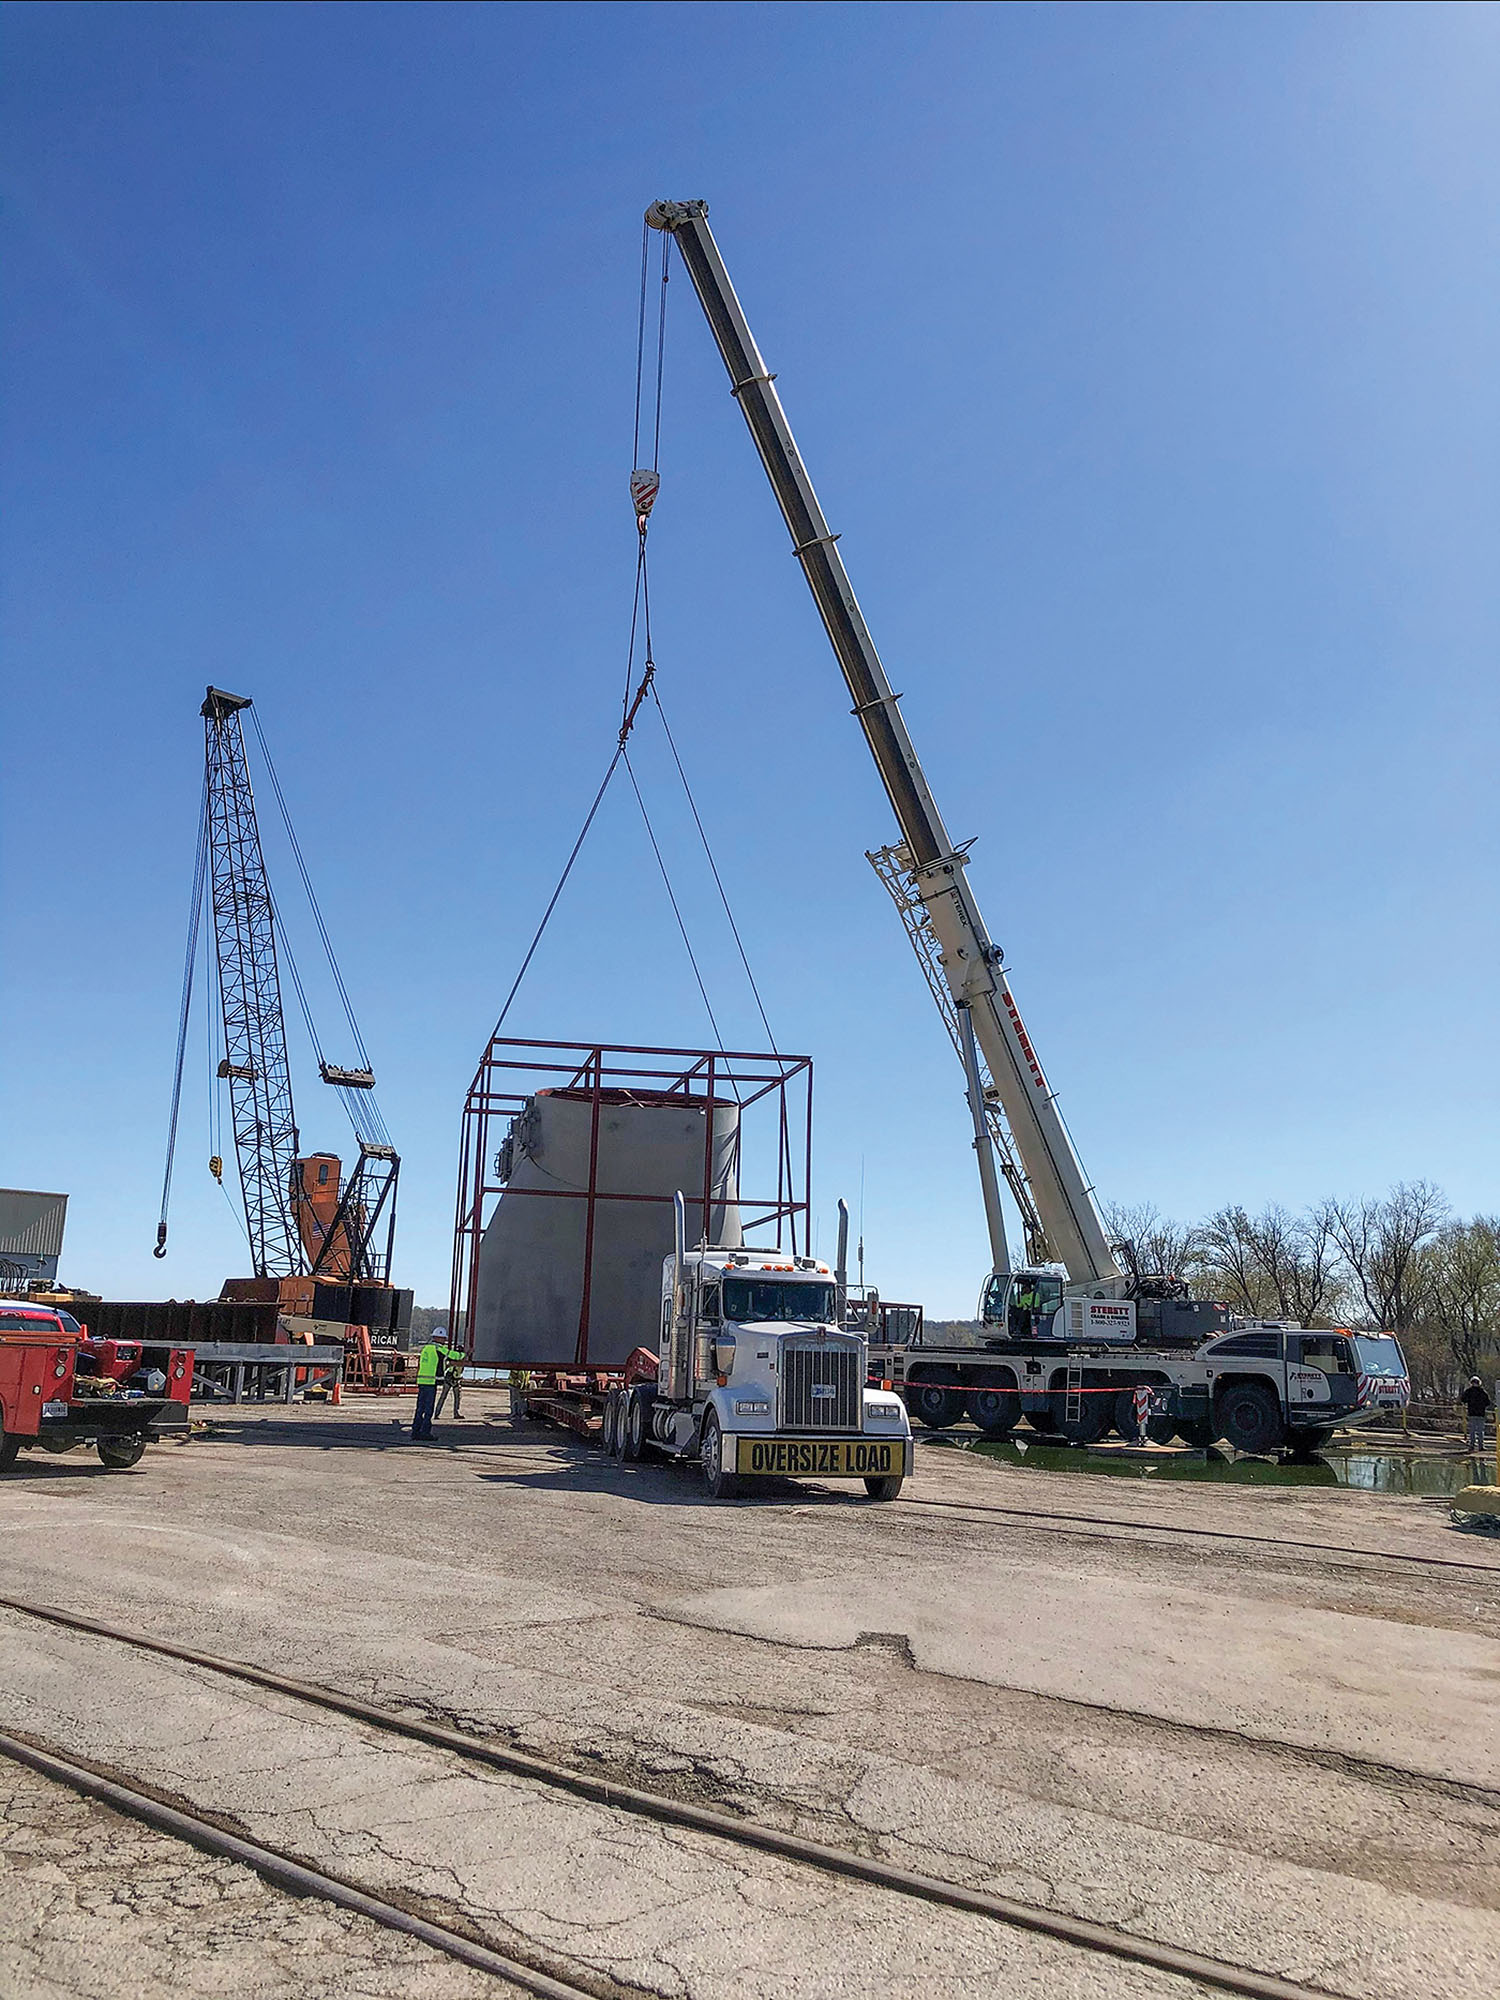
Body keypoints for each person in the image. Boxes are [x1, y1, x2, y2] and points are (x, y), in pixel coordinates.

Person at [411, 1337, 444, 1441]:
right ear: (440, 1338)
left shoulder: (425, 1348)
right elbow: (453, 1355)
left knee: (420, 1409)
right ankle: (425, 1432)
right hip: (430, 1383)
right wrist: (466, 1354)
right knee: (428, 1410)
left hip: (422, 1382)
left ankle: (415, 1431)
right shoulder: (439, 1348)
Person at [433, 1330, 465, 1421]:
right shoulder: (454, 1358)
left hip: (455, 1379)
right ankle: (438, 1413)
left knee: (455, 1398)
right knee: (445, 1397)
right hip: (450, 1378)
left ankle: (454, 1413)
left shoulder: (457, 1359)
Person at [1461, 1376, 1493, 1456]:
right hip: (1481, 1414)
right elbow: (1488, 1402)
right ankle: (1481, 1446)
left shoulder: (1468, 1391)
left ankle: (1472, 1446)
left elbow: (1463, 1399)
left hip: (1472, 1413)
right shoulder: (1483, 1392)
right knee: (1480, 1430)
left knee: (1472, 1430)